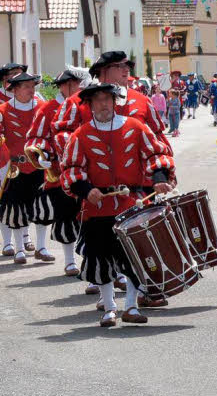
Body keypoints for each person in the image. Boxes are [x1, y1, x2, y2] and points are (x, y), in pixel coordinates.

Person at [60, 82, 176, 327]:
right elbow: (71, 169)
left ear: (115, 102)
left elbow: (157, 154)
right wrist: (85, 189)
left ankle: (131, 306)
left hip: (130, 205)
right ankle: (109, 308)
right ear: (90, 105)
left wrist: (159, 179)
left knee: (134, 257)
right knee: (101, 258)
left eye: (107, 99)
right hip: (97, 207)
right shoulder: (81, 134)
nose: (103, 104)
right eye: (98, 100)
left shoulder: (136, 127)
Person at [26, 66, 90, 276]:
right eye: (65, 84)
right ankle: (70, 261)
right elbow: (36, 136)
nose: (69, 87)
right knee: (65, 216)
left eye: (72, 83)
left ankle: (90, 261)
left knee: (89, 218)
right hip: (59, 172)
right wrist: (42, 154)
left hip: (89, 171)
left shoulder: (88, 103)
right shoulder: (48, 109)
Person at [54, 51, 170, 154]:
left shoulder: (143, 101)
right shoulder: (77, 101)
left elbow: (159, 139)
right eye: (121, 66)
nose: (127, 69)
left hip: (136, 176)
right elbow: (62, 135)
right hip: (92, 175)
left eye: (128, 65)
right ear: (103, 69)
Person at [0, 73, 48, 264]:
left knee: (41, 208)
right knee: (16, 208)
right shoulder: (3, 110)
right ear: (15, 89)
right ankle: (19, 248)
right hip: (16, 167)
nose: (31, 90)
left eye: (32, 86)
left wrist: (48, 156)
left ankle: (41, 247)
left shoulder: (42, 108)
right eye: (27, 86)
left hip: (38, 165)